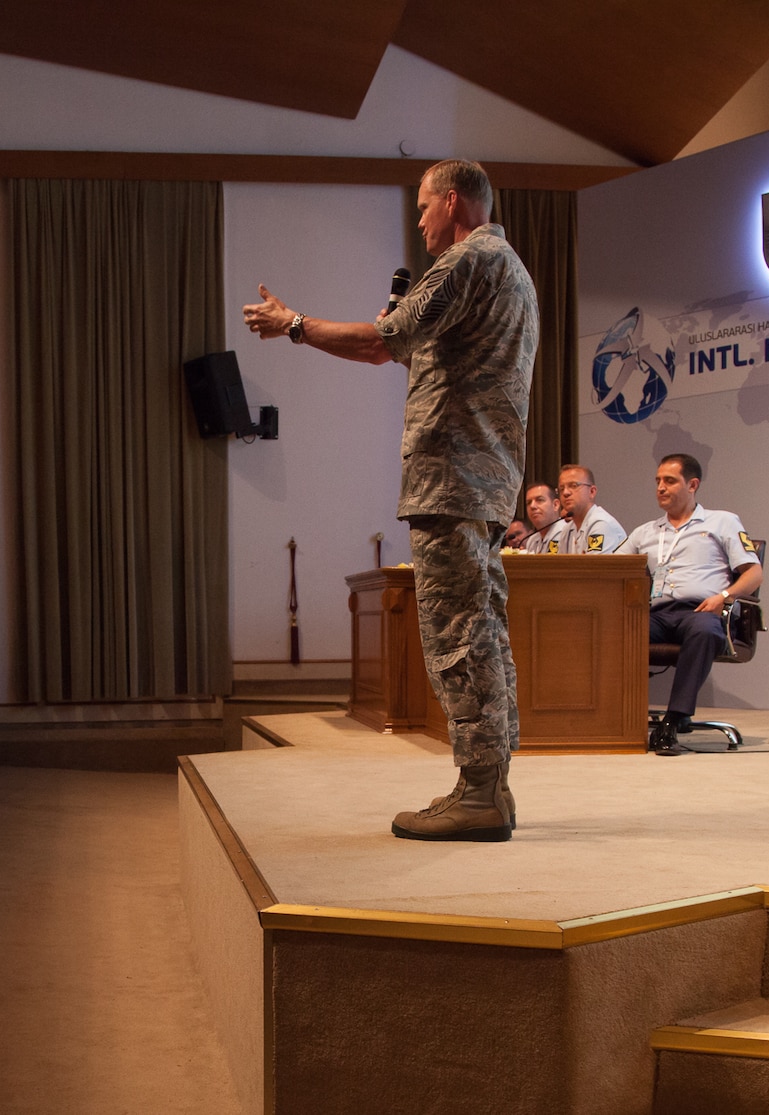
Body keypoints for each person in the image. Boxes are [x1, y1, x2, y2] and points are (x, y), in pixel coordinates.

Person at [243, 157, 537, 841]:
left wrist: (294, 324)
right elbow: (411, 351)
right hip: (481, 482)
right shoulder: (508, 269)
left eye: (424, 207)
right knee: (482, 631)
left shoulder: (467, 261)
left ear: (456, 201)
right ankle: (487, 783)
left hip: (452, 477)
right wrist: (395, 340)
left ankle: (480, 792)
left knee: (459, 636)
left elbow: (384, 340)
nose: (420, 221)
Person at [621, 454, 762, 756]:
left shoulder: (721, 521)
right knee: (614, 632)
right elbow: (610, 569)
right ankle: (612, 718)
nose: (660, 487)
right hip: (656, 613)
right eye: (658, 481)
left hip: (702, 610)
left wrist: (724, 597)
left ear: (693, 484)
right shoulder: (645, 532)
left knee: (705, 632)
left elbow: (754, 573)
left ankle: (673, 720)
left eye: (669, 481)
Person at [542, 464, 626, 556]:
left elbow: (594, 569)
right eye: (561, 489)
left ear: (592, 492)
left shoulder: (601, 524)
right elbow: (561, 567)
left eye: (573, 486)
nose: (566, 492)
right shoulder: (568, 530)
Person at [516, 482, 560, 554]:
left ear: (555, 505)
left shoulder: (567, 533)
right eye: (529, 502)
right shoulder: (532, 540)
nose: (532, 506)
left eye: (539, 500)